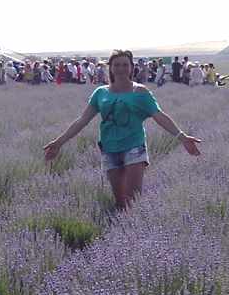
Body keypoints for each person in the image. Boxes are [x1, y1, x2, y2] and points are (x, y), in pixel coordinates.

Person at [43, 50, 201, 211]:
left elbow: (159, 116)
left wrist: (182, 137)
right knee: (119, 201)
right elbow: (82, 120)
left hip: (134, 147)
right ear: (110, 68)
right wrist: (58, 142)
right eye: (117, 65)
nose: (121, 68)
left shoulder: (140, 92)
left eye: (125, 65)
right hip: (109, 148)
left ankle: (136, 233)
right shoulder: (100, 93)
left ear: (131, 68)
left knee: (131, 200)